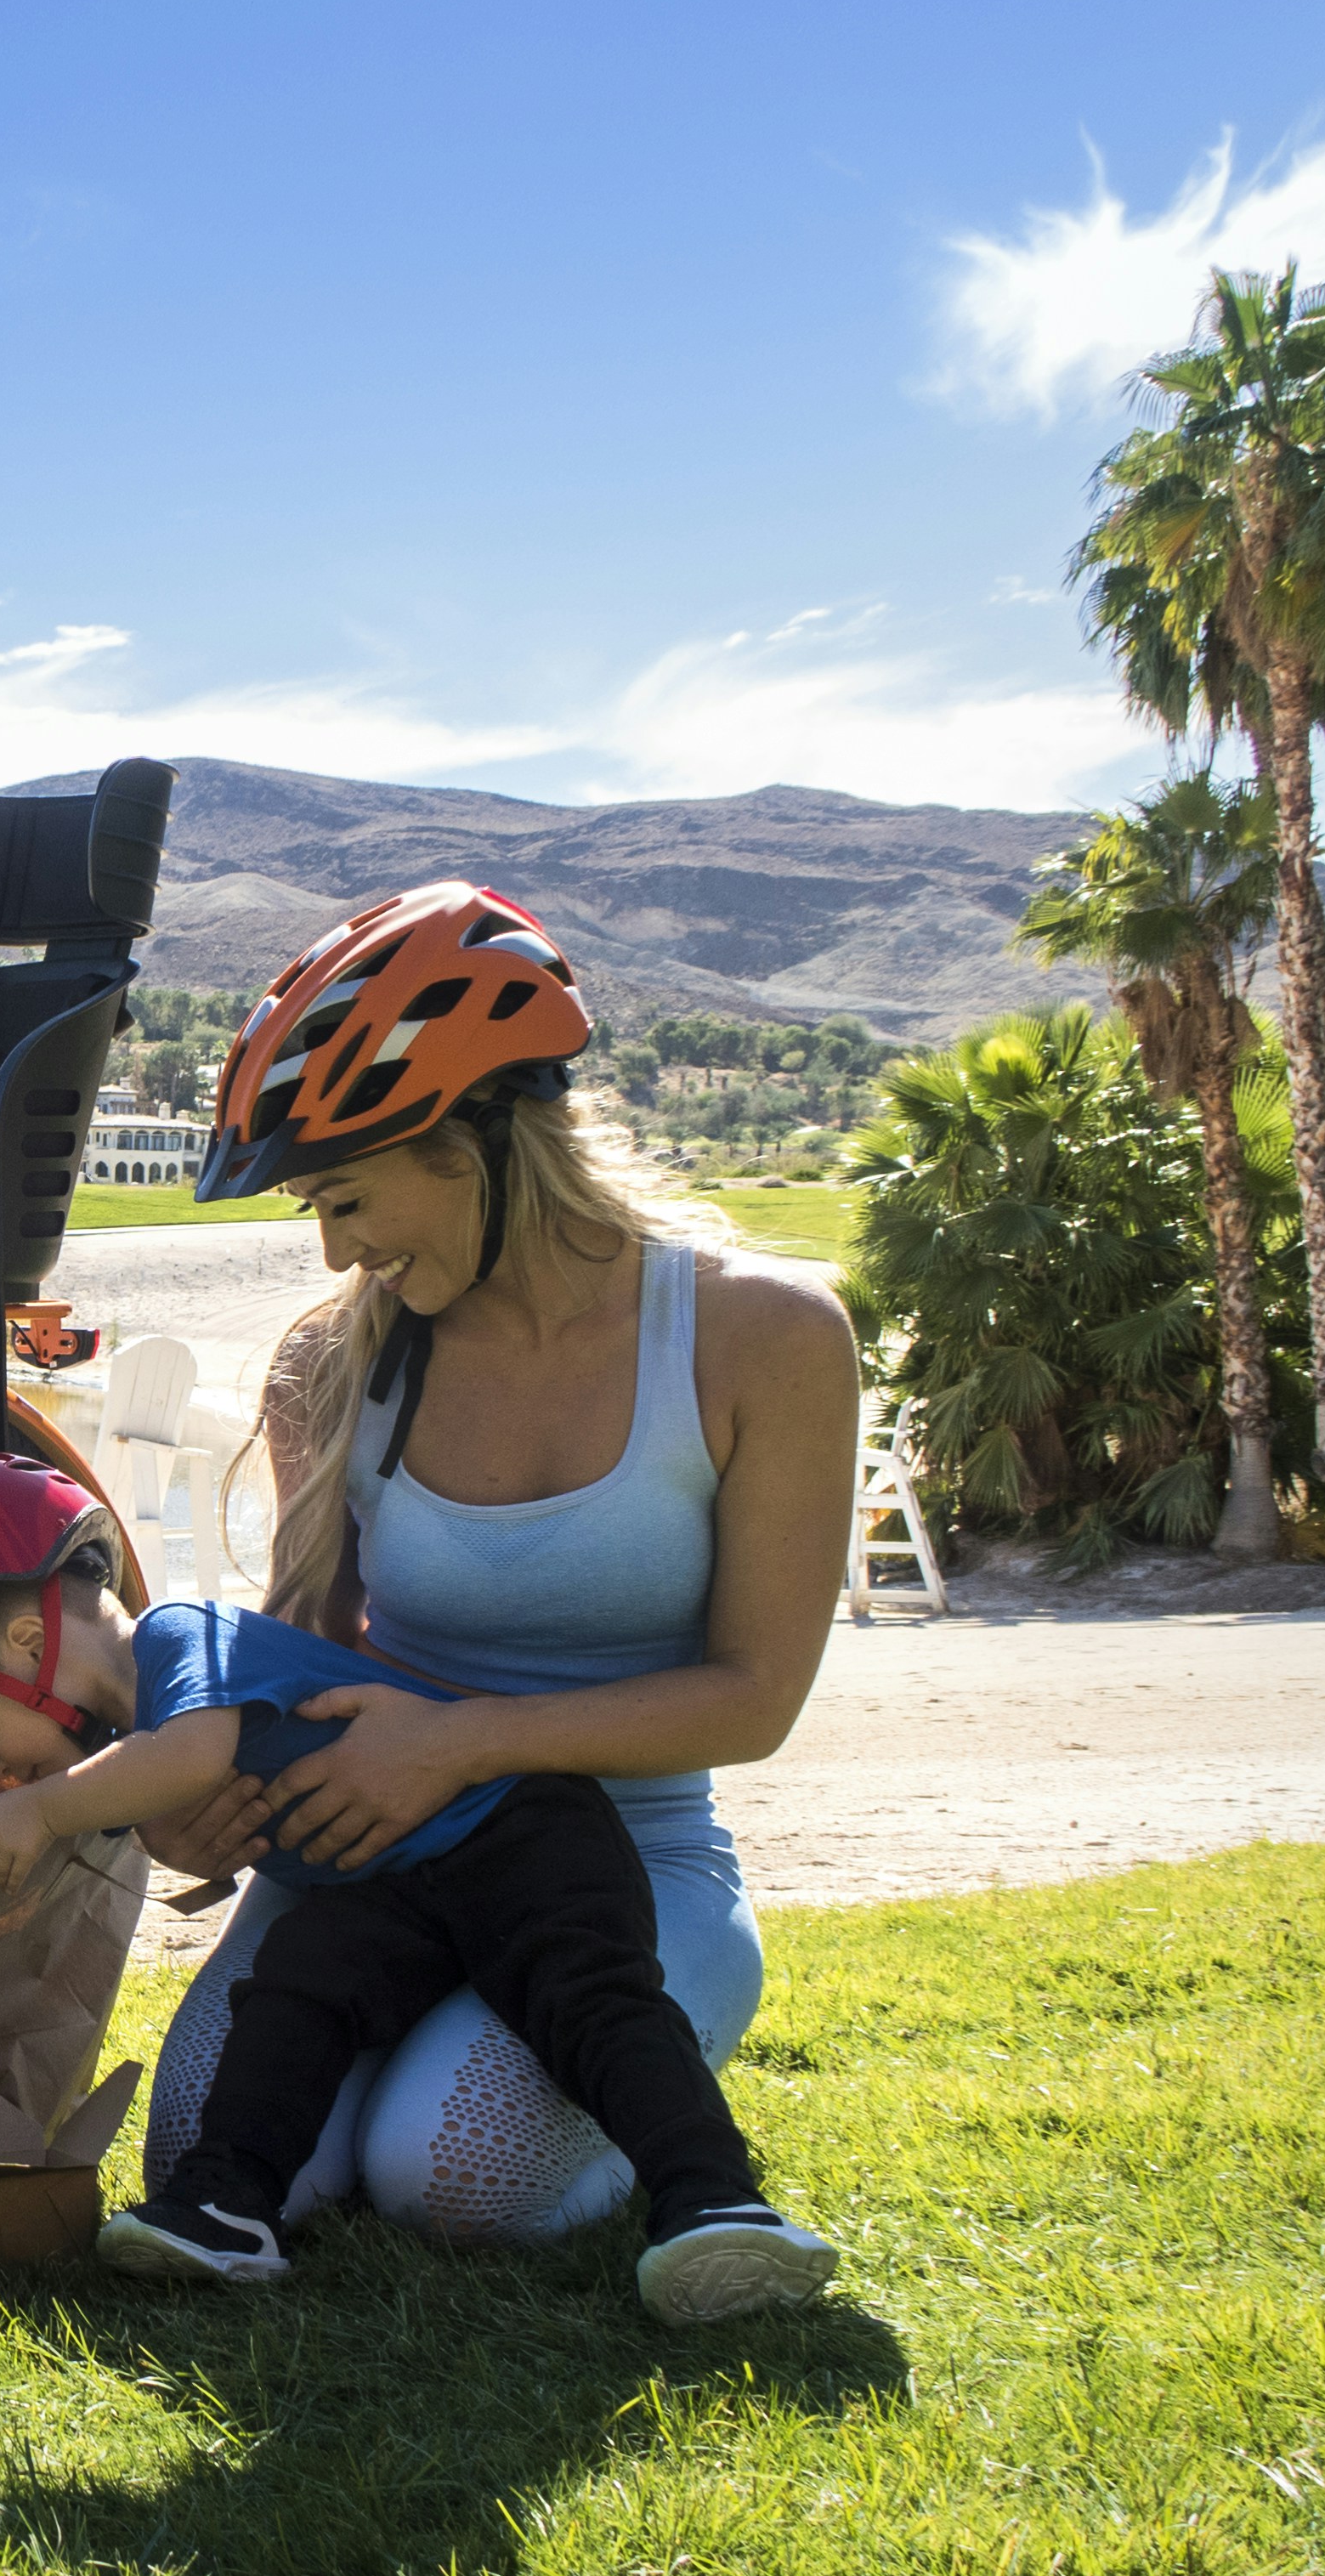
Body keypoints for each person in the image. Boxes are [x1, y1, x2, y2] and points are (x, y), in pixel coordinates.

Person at [129, 876, 864, 2252]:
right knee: (207, 2154)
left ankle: (652, 2078)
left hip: (632, 1866)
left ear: (465, 1135)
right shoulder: (330, 1359)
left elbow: (755, 1696)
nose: (336, 1246)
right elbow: (299, 1655)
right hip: (367, 1853)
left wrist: (458, 1744)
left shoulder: (763, 1338)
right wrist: (204, 1801)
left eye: (344, 1197)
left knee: (448, 2173)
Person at [0, 1458, 834, 2319]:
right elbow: (170, 1790)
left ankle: (714, 2198)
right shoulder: (128, 1745)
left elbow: (191, 1752)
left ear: (22, 1643)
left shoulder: (178, 1640)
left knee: (587, 1999)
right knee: (295, 1991)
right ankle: (228, 2207)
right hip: (391, 1881)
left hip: (519, 1831)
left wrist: (46, 1812)